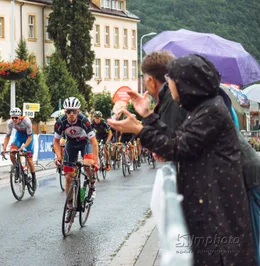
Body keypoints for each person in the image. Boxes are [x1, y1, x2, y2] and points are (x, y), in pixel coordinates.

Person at [108, 54, 255, 265]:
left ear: (187, 83)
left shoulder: (211, 112)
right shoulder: (204, 109)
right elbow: (178, 139)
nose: (168, 83)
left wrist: (140, 129)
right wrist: (148, 116)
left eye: (172, 79)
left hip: (218, 214)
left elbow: (177, 148)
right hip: (213, 208)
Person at [53, 97, 99, 223]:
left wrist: (95, 161)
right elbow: (56, 142)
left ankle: (92, 184)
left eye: (74, 111)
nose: (71, 114)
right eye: (68, 111)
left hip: (85, 143)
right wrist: (58, 157)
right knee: (68, 176)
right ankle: (69, 206)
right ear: (65, 111)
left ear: (78, 111)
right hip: (71, 144)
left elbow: (93, 142)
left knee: (87, 164)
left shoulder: (84, 120)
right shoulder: (60, 122)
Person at [2, 107, 37, 191]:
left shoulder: (27, 121)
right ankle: (18, 168)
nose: (14, 119)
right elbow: (7, 136)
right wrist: (4, 149)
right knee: (12, 153)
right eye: (12, 117)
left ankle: (34, 178)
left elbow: (30, 137)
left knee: (29, 159)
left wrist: (24, 146)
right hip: (19, 137)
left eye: (16, 117)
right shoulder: (10, 123)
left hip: (28, 137)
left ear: (20, 116)